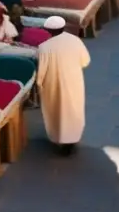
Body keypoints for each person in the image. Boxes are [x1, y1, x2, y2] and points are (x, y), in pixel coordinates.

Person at [36, 16, 91, 155]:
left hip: (53, 85)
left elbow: (41, 72)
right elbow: (85, 61)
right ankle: (72, 139)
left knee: (57, 112)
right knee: (73, 110)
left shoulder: (44, 47)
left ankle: (60, 139)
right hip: (74, 82)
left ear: (48, 30)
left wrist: (39, 85)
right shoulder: (75, 41)